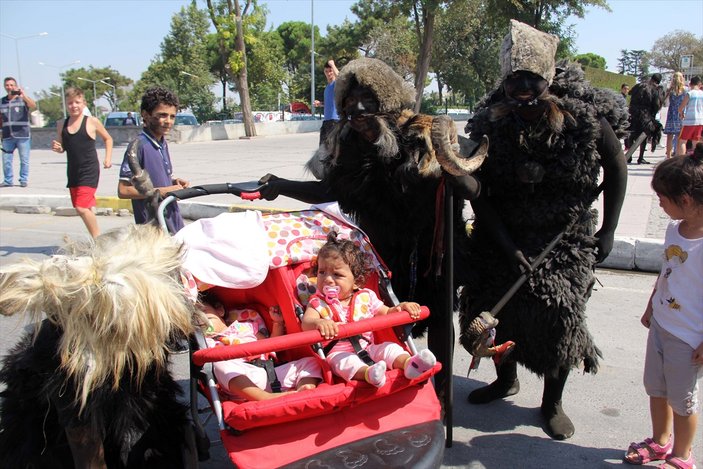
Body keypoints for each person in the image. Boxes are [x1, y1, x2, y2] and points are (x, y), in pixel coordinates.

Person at [458, 20, 628, 440]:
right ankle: (504, 379)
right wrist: (504, 242)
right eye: (514, 81)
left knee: (558, 315)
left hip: (564, 234)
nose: (522, 90)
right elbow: (480, 191)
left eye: (531, 81)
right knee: (489, 308)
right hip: (502, 231)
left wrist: (608, 230)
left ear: (547, 80)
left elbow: (616, 167)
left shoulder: (582, 118)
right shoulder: (490, 123)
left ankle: (552, 401)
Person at [623, 144, 703, 469]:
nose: (659, 203)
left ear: (685, 201)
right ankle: (659, 442)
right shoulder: (674, 229)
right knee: (656, 387)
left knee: (683, 400)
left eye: (662, 198)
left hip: (688, 337)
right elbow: (666, 272)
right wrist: (651, 304)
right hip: (662, 324)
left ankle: (682, 456)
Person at [302, 232, 437, 388]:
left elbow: (387, 313)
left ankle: (410, 364)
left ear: (356, 282)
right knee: (345, 362)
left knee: (390, 348)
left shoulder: (366, 297)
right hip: (338, 352)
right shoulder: (318, 302)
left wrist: (401, 307)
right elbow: (306, 323)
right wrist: (319, 322)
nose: (327, 279)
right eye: (321, 272)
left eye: (337, 274)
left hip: (368, 347)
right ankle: (369, 373)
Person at [200, 299, 322, 401]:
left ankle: (303, 389)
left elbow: (270, 346)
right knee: (220, 364)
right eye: (195, 321)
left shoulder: (246, 326)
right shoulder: (206, 342)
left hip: (268, 372)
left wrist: (278, 323)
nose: (201, 320)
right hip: (241, 381)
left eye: (204, 312)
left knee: (312, 362)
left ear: (220, 310)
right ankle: (265, 397)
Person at [118, 87, 189, 234]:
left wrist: (174, 182)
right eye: (162, 115)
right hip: (153, 229)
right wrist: (164, 191)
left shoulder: (162, 143)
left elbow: (157, 179)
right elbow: (123, 190)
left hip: (172, 220)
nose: (168, 121)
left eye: (172, 116)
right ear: (146, 115)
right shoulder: (138, 146)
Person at [51, 87, 113, 238]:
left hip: (89, 170)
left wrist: (108, 158)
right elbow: (61, 147)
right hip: (73, 172)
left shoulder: (92, 122)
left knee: (81, 207)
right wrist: (57, 147)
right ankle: (96, 240)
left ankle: (98, 240)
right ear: (66, 104)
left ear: (84, 103)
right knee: (85, 208)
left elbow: (108, 138)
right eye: (70, 103)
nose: (74, 106)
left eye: (77, 102)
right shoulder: (61, 124)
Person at [1, 77, 36, 187]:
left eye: (12, 85)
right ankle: (8, 180)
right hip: (7, 136)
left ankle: (23, 179)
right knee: (6, 160)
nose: (9, 87)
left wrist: (23, 95)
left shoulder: (23, 100)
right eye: (7, 85)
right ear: (4, 86)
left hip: (23, 135)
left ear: (15, 86)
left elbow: (33, 105)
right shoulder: (2, 101)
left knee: (24, 160)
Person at [627, 73, 666, 164]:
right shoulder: (655, 89)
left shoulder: (639, 85)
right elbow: (656, 104)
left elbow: (630, 93)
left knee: (632, 134)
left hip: (633, 112)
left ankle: (629, 156)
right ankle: (640, 158)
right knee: (644, 134)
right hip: (645, 114)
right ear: (658, 81)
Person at [677, 76, 703, 156]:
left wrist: (681, 114)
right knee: (695, 142)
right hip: (700, 121)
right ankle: (696, 161)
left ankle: (681, 160)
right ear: (699, 84)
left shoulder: (690, 93)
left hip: (689, 121)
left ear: (690, 84)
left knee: (682, 141)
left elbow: (681, 107)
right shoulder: (702, 93)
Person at [663, 72, 687, 158]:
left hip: (671, 114)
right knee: (679, 137)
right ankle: (677, 155)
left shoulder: (670, 90)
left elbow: (665, 101)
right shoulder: (685, 90)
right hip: (680, 114)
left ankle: (668, 156)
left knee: (669, 137)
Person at [317, 59, 339, 145]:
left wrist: (333, 65)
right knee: (322, 149)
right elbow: (329, 103)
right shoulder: (327, 87)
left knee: (333, 148)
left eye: (330, 71)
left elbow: (342, 77)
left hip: (336, 121)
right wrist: (320, 104)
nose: (329, 73)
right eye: (326, 71)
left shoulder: (336, 84)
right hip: (327, 121)